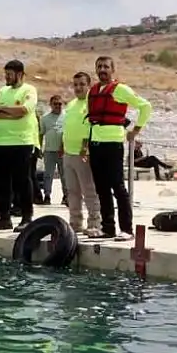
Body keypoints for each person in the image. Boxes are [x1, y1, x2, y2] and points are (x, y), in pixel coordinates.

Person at [87, 55, 152, 240]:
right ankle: (107, 228)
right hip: (95, 143)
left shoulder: (121, 89)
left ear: (112, 70)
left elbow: (145, 106)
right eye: (99, 66)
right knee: (101, 188)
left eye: (106, 67)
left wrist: (136, 130)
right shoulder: (92, 91)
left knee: (117, 186)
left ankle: (127, 229)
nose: (102, 70)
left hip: (113, 144)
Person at [0, 59, 38, 232]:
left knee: (22, 181)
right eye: (6, 74)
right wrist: (12, 113)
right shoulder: (2, 91)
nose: (6, 77)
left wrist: (4, 111)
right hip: (1, 142)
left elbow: (24, 110)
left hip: (21, 142)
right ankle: (4, 217)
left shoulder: (29, 90)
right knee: (3, 182)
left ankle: (27, 217)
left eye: (9, 74)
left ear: (19, 74)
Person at [62, 71, 102, 237]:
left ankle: (94, 222)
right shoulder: (71, 105)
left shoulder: (91, 103)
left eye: (81, 84)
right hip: (68, 152)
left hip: (83, 152)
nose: (78, 88)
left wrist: (85, 146)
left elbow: (91, 127)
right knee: (72, 191)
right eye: (75, 85)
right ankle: (75, 222)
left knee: (89, 190)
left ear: (89, 85)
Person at [39, 95, 66, 205]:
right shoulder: (45, 118)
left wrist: (63, 147)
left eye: (60, 104)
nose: (58, 106)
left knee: (64, 175)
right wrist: (39, 148)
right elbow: (41, 134)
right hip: (49, 151)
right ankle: (47, 195)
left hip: (63, 151)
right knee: (48, 174)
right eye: (55, 104)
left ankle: (66, 196)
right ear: (50, 105)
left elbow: (68, 134)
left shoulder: (66, 117)